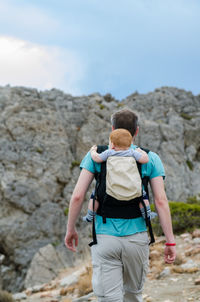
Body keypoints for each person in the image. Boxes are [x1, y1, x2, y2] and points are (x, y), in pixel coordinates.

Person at [65, 108, 176, 302]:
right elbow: (160, 200)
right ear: (137, 131)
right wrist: (170, 241)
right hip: (137, 238)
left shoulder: (98, 154)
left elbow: (77, 196)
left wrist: (70, 229)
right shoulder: (150, 158)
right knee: (133, 296)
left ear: (112, 129)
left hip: (105, 236)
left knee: (110, 298)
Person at [82, 128, 154, 223]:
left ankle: (90, 215)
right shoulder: (132, 152)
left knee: (95, 196)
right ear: (130, 144)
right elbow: (145, 159)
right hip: (132, 187)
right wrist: (141, 151)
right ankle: (147, 214)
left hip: (112, 189)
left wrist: (93, 151)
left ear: (112, 144)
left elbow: (97, 158)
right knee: (142, 196)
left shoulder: (109, 153)